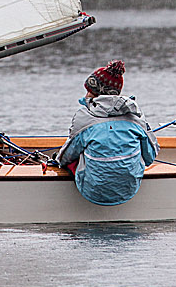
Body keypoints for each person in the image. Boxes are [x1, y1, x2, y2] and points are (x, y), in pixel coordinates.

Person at [56, 59, 157, 206]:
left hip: (92, 190)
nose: (86, 94)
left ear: (95, 93)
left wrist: (56, 159)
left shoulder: (83, 117)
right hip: (129, 189)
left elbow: (65, 157)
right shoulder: (136, 116)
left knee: (73, 156)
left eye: (88, 90)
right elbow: (150, 156)